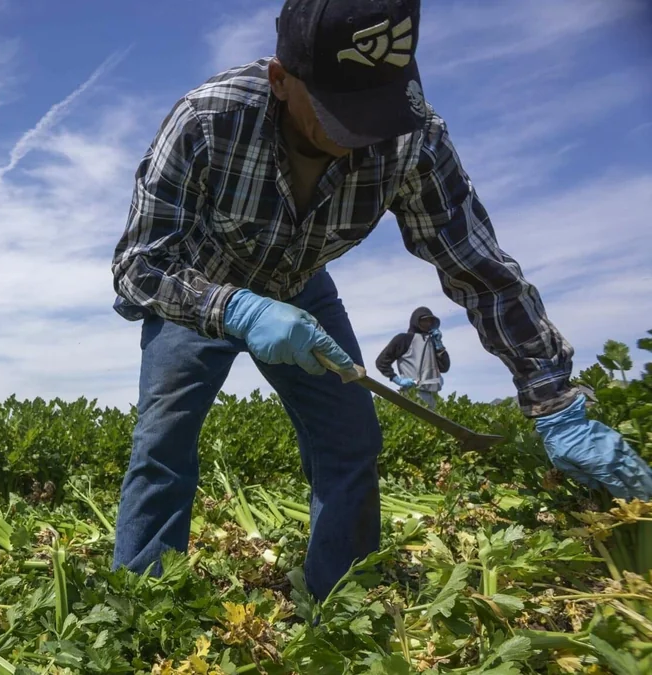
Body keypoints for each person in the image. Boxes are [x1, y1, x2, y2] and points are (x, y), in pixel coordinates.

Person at [108, 0, 652, 601]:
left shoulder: (411, 138)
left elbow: (479, 268)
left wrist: (553, 398)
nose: (364, 134)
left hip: (301, 289)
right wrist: (238, 307)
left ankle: (341, 601)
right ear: (281, 79)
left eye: (378, 108)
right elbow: (140, 265)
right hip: (197, 289)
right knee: (164, 445)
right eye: (342, 112)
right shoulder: (208, 118)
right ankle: (145, 607)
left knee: (351, 441)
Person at [376, 306, 449, 408]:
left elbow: (444, 367)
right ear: (416, 321)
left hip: (433, 395)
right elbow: (381, 361)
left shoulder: (432, 342)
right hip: (413, 393)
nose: (428, 324)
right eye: (424, 320)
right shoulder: (404, 339)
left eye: (430, 321)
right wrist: (396, 379)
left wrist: (439, 345)